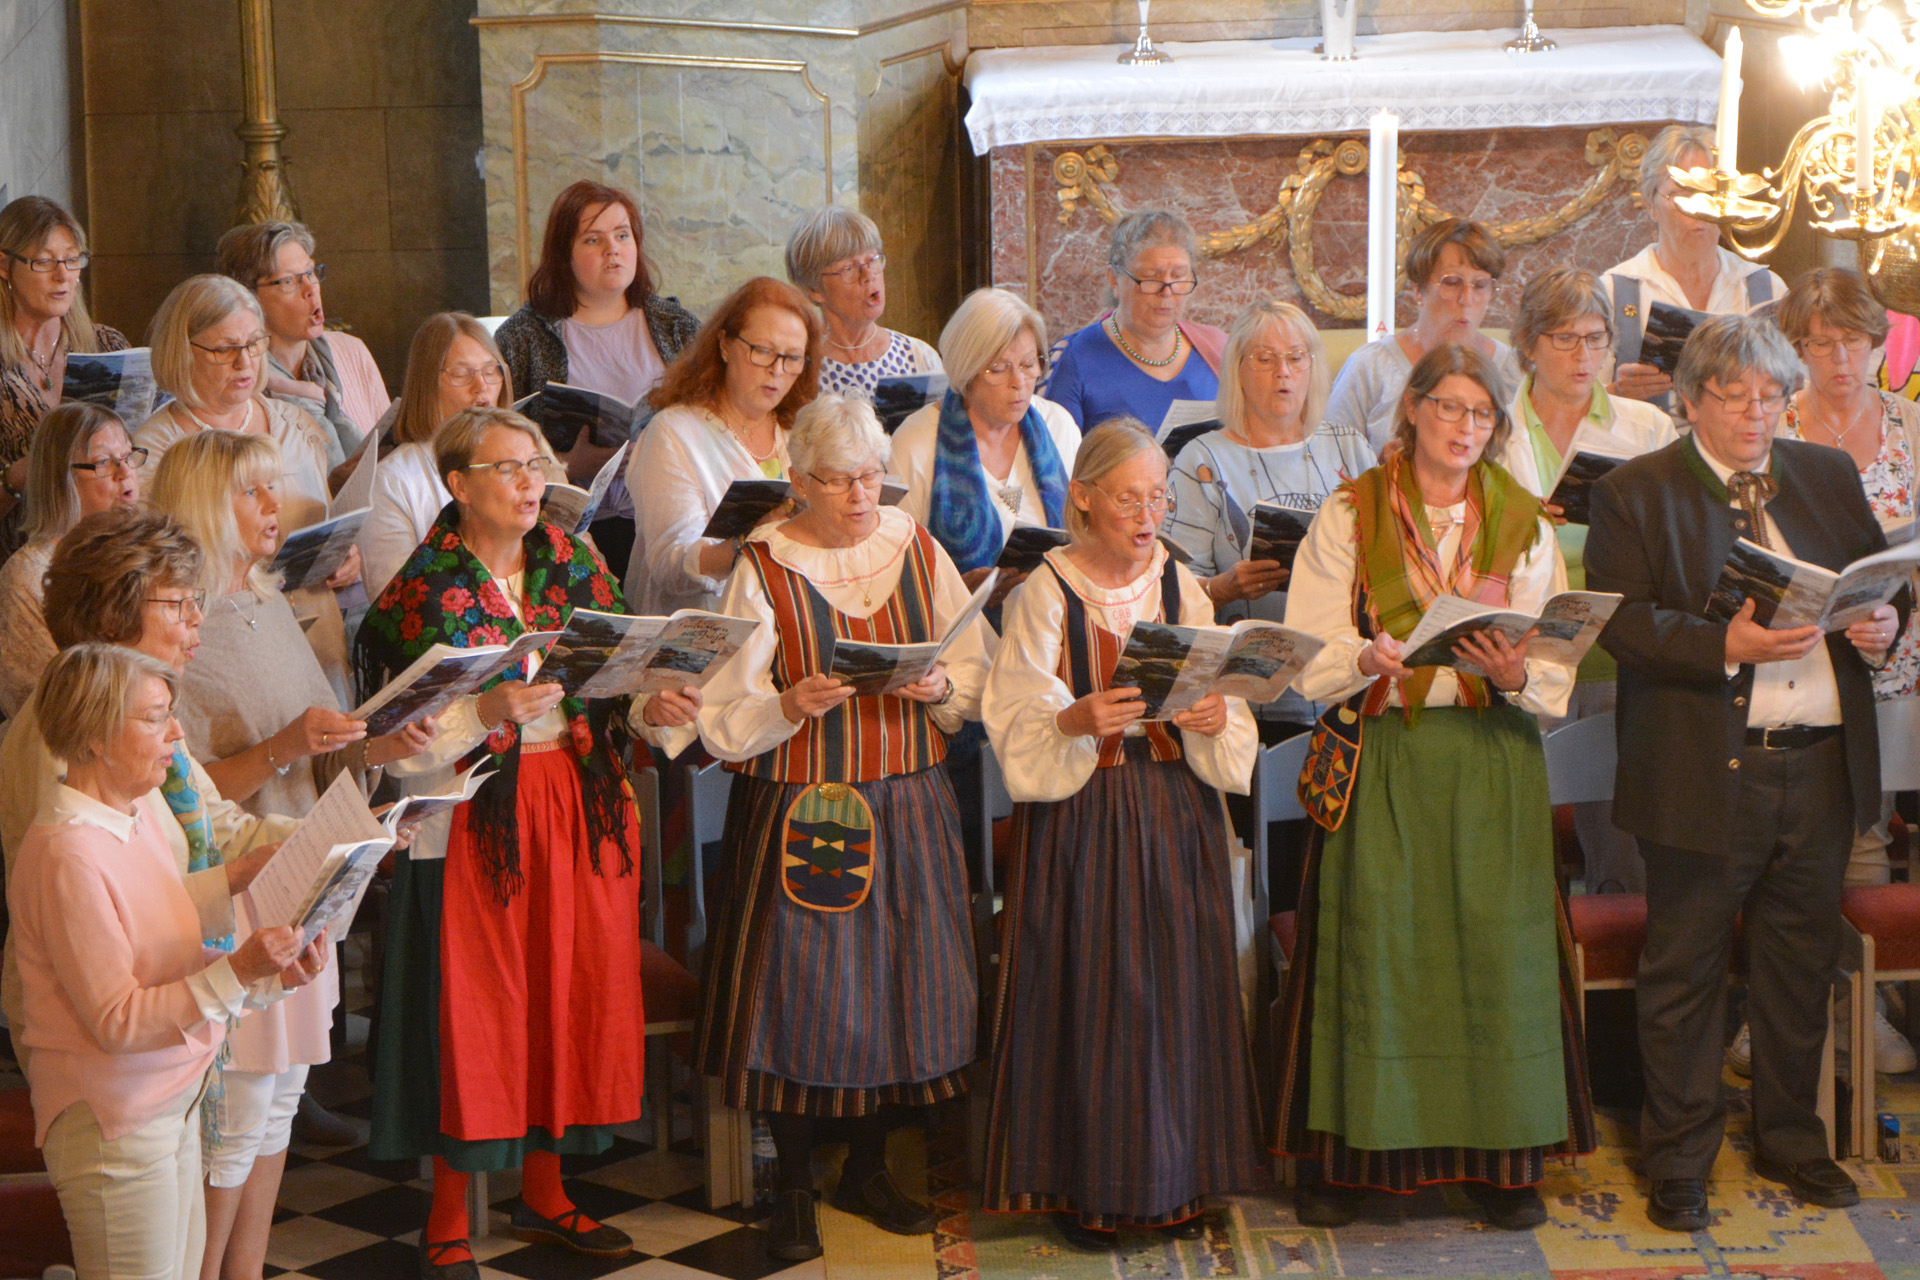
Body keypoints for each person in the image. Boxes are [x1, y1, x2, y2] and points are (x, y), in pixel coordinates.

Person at [636, 394, 991, 1261]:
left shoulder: (916, 547)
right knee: (797, 999)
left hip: (907, 801)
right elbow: (722, 711)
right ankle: (791, 1184)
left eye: (871, 477)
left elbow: (974, 668)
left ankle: (867, 1169)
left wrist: (940, 691)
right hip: (802, 807)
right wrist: (788, 704)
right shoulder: (764, 564)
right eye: (837, 481)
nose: (861, 496)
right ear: (795, 483)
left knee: (899, 991)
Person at [1586, 314, 1900, 1230]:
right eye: (1737, 396)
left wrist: (1887, 623)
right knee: (1683, 970)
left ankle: (1791, 1138)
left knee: (1797, 967)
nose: (1760, 412)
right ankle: (1679, 1158)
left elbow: (1879, 580)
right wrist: (1723, 641)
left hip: (1822, 766)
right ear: (1690, 402)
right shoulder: (1636, 491)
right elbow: (1622, 623)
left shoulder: (1824, 472)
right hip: (1702, 770)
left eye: (1773, 394)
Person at [1277, 343, 1595, 1231]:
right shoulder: (1352, 514)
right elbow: (1306, 651)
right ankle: (1353, 1160)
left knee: (1496, 955)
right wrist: (1365, 657)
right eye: (1449, 409)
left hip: (1490, 756)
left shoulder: (1521, 520)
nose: (1463, 428)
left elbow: (1556, 660)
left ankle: (1504, 1162)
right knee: (1381, 948)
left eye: (1481, 415)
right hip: (1387, 753)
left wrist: (1515, 671)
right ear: (1412, 410)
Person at [357, 407, 645, 1274]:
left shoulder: (575, 560)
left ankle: (548, 1193)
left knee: (565, 990)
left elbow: (617, 668)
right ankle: (446, 1216)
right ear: (457, 485)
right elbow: (394, 729)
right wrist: (478, 713)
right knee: (479, 1007)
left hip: (575, 800)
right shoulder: (425, 587)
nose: (530, 482)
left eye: (537, 464)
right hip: (473, 810)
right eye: (508, 467)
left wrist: (651, 698)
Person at [151, 430, 433, 1280]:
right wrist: (283, 746)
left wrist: (383, 752)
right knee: (232, 1121)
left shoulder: (271, 599)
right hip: (231, 892)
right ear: (205, 504)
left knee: (274, 1112)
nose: (277, 509)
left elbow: (317, 746)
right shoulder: (180, 623)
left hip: (303, 871)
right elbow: (182, 789)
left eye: (275, 489)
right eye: (254, 494)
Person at [980, 418, 1260, 1251]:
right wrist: (1072, 716)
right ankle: (1090, 1185)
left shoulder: (1184, 587)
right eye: (1131, 498)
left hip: (1176, 811)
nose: (1148, 515)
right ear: (1086, 500)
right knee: (1099, 991)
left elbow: (1227, 698)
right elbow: (1014, 717)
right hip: (1084, 820)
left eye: (1160, 498)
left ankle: (1184, 1175)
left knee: (1178, 988)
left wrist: (1214, 711)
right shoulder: (1044, 593)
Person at [11, 642, 324, 1280]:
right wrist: (239, 972)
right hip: (115, 1126)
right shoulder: (68, 853)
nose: (176, 732)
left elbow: (177, 964)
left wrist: (265, 981)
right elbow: (119, 1021)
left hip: (173, 1099)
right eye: (155, 716)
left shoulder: (140, 819)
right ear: (96, 735)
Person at [1, 508, 298, 1073]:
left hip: (168, 984)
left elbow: (220, 826)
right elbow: (104, 899)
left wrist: (345, 832)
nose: (196, 623)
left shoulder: (145, 707)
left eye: (197, 602)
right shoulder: (71, 728)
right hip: (94, 1025)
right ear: (113, 616)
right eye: (179, 604)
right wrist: (236, 878)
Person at [1775, 267, 1920, 1074]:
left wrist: (1903, 615)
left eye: (1853, 342)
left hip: (1890, 664)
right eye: (1820, 343)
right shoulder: (1775, 421)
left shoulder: (1908, 424)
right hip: (1795, 661)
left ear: (1877, 344)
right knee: (1788, 842)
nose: (1838, 359)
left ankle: (1858, 1013)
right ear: (1797, 349)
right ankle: (1780, 1014)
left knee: (1865, 837)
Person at [1491, 267, 1676, 894]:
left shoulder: (1643, 426)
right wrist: (1521, 522)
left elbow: (1674, 537)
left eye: (1596, 339)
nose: (1584, 355)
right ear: (1528, 344)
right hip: (1523, 645)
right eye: (1565, 339)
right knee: (1516, 840)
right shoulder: (1492, 430)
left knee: (1622, 851)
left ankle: (1610, 987)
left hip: (1612, 653)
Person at [1167, 298, 1376, 737]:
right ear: (1238, 370)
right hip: (1248, 700)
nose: (1283, 372)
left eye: (1296, 358)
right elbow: (1174, 591)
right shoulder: (1202, 459)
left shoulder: (1349, 447)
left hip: (1349, 683)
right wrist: (1224, 589)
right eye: (1265, 359)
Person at [495, 180, 700, 571]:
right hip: (569, 532)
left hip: (669, 519)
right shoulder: (522, 337)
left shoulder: (677, 326)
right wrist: (569, 464)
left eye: (623, 235)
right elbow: (496, 445)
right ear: (564, 255)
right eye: (593, 240)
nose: (613, 249)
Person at [624, 276, 819, 614]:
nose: (777, 370)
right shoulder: (674, 433)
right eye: (763, 351)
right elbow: (671, 567)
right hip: (704, 637)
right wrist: (747, 544)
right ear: (725, 345)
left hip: (792, 626)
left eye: (793, 358)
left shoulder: (801, 431)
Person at [893, 286, 1079, 596]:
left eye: (1028, 364)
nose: (1018, 382)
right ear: (966, 371)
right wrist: (955, 592)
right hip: (961, 633)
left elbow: (1088, 535)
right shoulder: (916, 442)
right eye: (998, 368)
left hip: (1050, 624)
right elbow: (895, 564)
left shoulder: (1059, 426)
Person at [1602, 125, 1786, 404]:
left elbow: (1801, 395)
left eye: (1711, 193)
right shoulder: (1615, 290)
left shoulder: (1766, 289)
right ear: (1651, 204)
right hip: (1648, 444)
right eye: (1682, 195)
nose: (1699, 210)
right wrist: (1618, 392)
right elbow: (1579, 404)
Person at [1324, 218, 1524, 451]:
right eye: (1451, 283)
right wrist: (1380, 471)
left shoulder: (1512, 370)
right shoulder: (1371, 367)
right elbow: (1330, 462)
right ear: (1418, 290)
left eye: (1480, 285)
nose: (1467, 299)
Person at [0, 402, 143, 717]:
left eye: (129, 456)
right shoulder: (29, 575)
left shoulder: (143, 551)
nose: (126, 472)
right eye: (104, 462)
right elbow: (39, 707)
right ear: (60, 479)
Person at [357, 312, 514, 600]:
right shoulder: (392, 481)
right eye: (461, 373)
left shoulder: (525, 456)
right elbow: (394, 604)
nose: (482, 387)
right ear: (428, 383)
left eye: (491, 371)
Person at [0, 196, 128, 543]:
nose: (63, 276)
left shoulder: (107, 345)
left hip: (106, 543)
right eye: (44, 262)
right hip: (21, 553)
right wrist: (20, 477)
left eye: (72, 260)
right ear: (4, 266)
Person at [215, 220, 391, 466]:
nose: (310, 289)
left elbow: (391, 455)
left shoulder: (351, 350)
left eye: (310, 273)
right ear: (249, 297)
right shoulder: (240, 380)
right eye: (288, 281)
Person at [1041, 210, 1225, 431]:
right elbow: (1055, 459)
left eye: (1178, 276)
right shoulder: (1073, 359)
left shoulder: (1217, 348)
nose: (1167, 292)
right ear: (1114, 280)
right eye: (1150, 277)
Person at [784, 205, 942, 397]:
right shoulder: (799, 368)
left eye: (872, 259)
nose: (868, 275)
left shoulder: (918, 357)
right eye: (849, 268)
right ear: (815, 290)